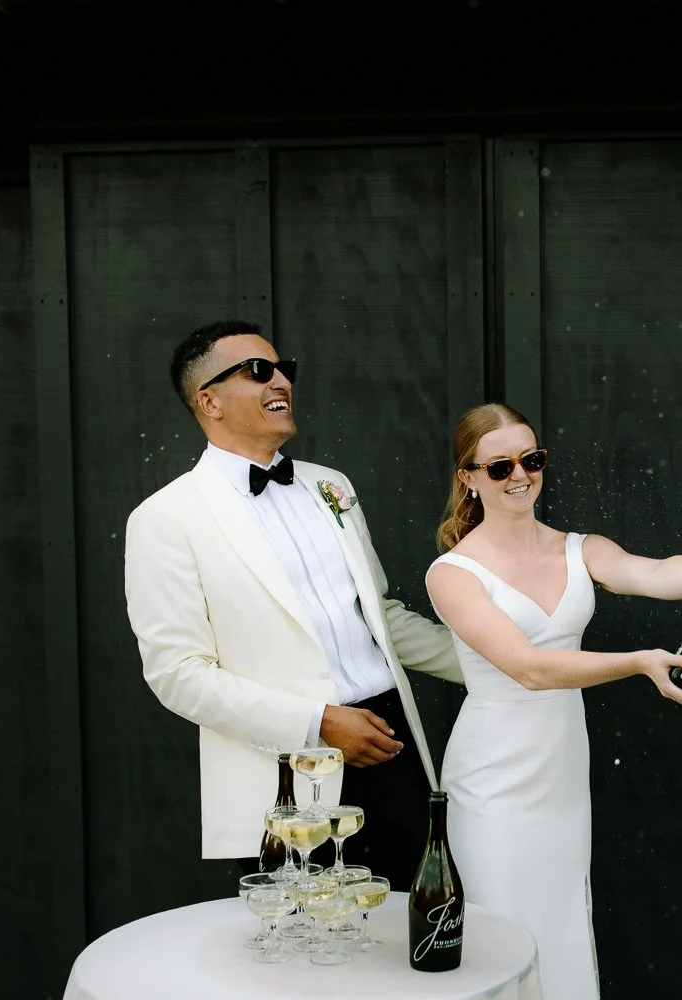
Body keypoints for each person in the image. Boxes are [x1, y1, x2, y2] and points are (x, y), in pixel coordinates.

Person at [424, 402, 682, 1000]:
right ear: (467, 476)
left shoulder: (579, 548)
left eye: (532, 459)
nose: (520, 476)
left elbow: (654, 573)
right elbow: (529, 668)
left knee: (561, 918)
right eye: (499, 467)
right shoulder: (452, 572)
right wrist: (640, 662)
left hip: (563, 768)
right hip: (493, 776)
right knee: (500, 929)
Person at [124, 320, 463, 890]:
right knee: (312, 954)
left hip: (393, 744)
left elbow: (379, 618)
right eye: (259, 371)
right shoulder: (163, 519)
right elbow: (177, 675)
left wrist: (505, 665)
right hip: (286, 773)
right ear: (208, 400)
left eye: (284, 369)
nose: (281, 379)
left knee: (408, 940)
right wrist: (318, 724)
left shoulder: (331, 485)